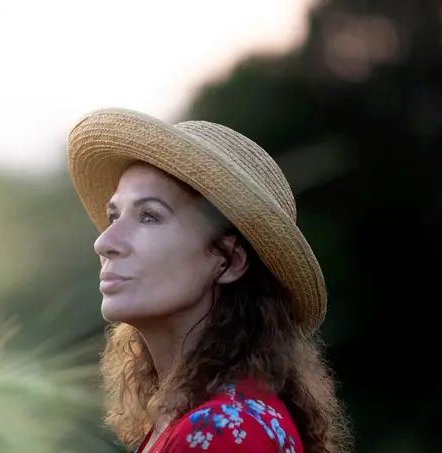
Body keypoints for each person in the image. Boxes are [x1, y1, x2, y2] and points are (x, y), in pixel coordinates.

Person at [66, 108, 353, 453]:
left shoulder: (223, 432)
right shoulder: (199, 417)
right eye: (114, 216)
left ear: (229, 260)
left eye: (149, 216)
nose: (104, 242)